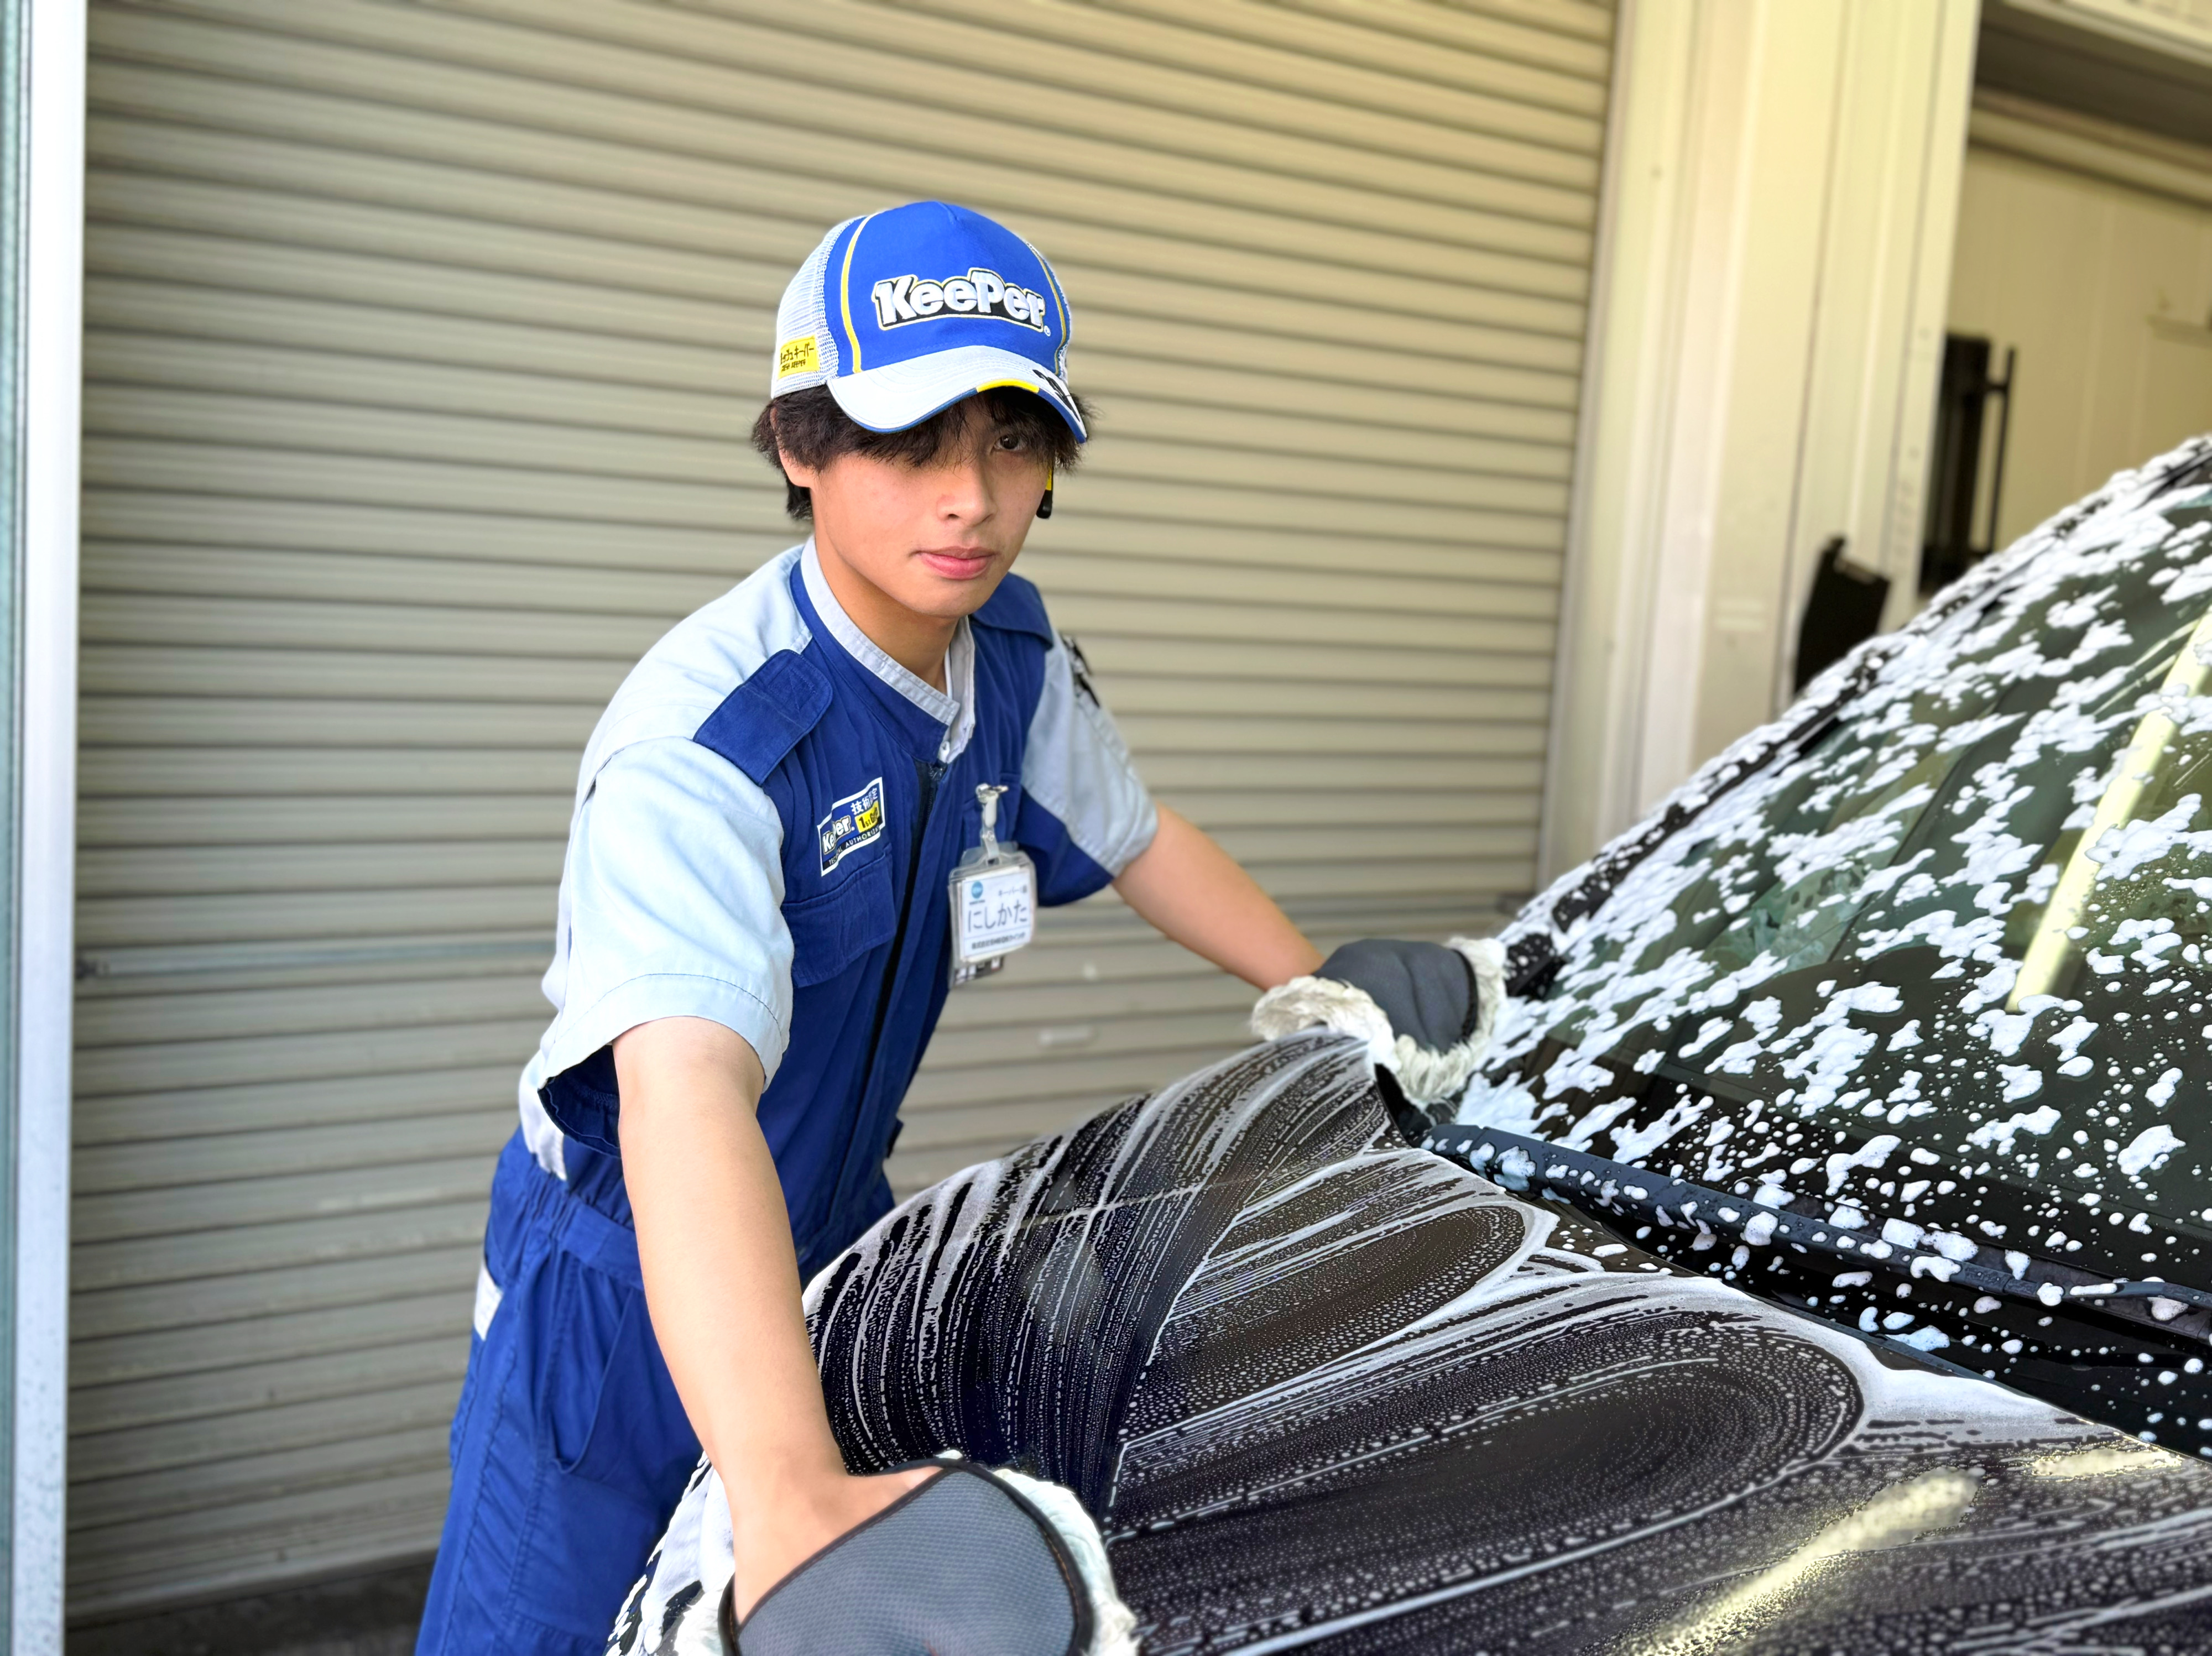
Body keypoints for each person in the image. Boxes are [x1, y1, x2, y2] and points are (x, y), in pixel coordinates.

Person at [415, 200, 1484, 1654]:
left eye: (1013, 439)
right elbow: (679, 1091)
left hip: (837, 1236)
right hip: (615, 1293)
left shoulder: (1014, 666)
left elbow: (1141, 837)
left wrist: (1322, 992)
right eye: (914, 442)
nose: (970, 497)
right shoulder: (710, 742)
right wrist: (786, 1499)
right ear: (801, 447)